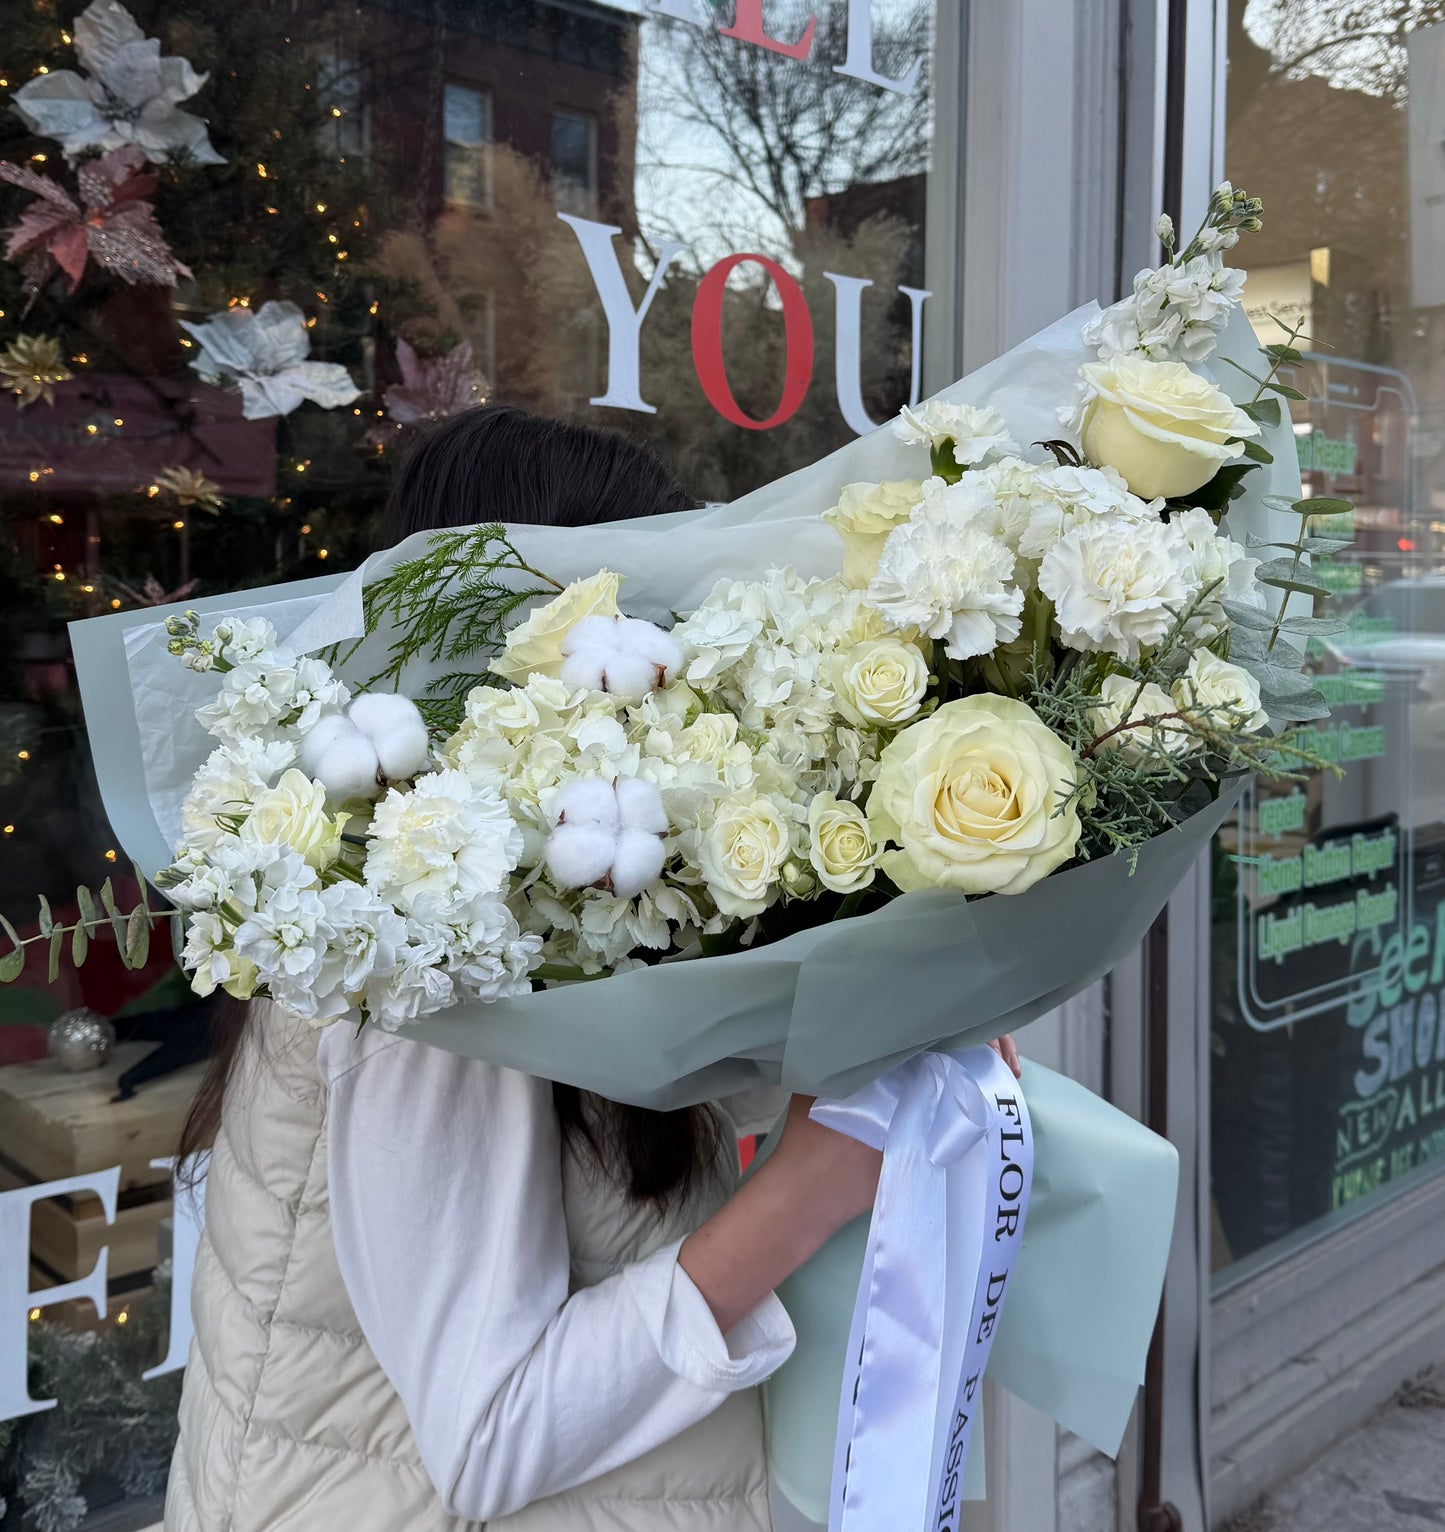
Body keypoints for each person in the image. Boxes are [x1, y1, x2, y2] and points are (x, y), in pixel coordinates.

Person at [164, 404, 1020, 1532]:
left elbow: (623, 1149)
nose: (672, 662)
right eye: (642, 611)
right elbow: (489, 1435)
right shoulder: (422, 961)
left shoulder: (523, 902)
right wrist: (812, 1187)